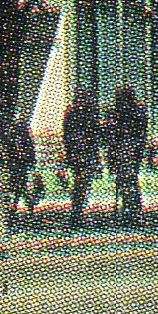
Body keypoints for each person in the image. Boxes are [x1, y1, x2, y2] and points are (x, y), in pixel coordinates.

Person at [106, 82, 149, 224]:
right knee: (126, 179)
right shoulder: (132, 111)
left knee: (128, 179)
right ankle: (130, 209)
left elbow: (118, 132)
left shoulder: (132, 112)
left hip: (128, 148)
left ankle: (133, 210)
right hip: (126, 149)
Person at [60, 85, 101, 227]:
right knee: (82, 182)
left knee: (81, 182)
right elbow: (94, 135)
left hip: (78, 153)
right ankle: (77, 210)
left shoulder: (73, 114)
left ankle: (77, 209)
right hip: (83, 153)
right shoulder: (88, 114)